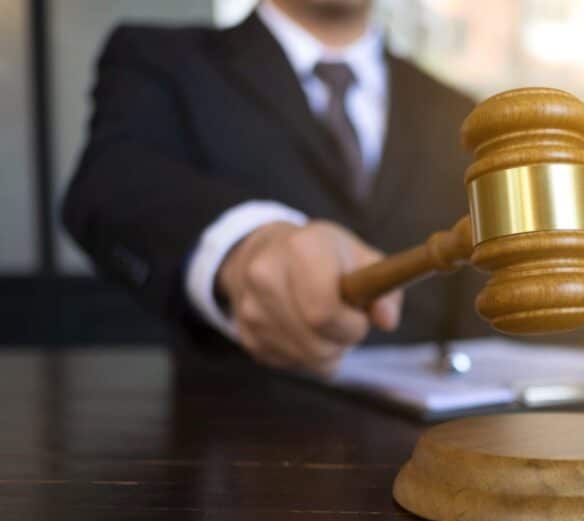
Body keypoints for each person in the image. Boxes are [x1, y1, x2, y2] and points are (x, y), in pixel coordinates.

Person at [63, 0, 479, 376]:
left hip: (437, 437)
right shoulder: (160, 60)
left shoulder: (459, 111)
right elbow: (114, 182)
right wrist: (244, 248)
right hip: (236, 436)